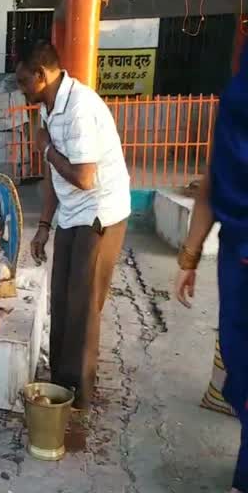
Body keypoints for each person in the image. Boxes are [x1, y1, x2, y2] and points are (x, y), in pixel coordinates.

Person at [19, 40, 131, 410]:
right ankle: (60, 386)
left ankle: (78, 397)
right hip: (71, 213)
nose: (20, 88)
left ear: (41, 74)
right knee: (61, 300)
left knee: (82, 306)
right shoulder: (49, 108)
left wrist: (46, 148)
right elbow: (55, 175)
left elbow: (84, 177)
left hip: (100, 212)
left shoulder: (80, 106)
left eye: (23, 80)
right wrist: (44, 225)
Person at [174, 49, 248, 493]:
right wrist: (189, 256)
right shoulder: (237, 98)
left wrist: (190, 256)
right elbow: (214, 178)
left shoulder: (236, 95)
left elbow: (211, 180)